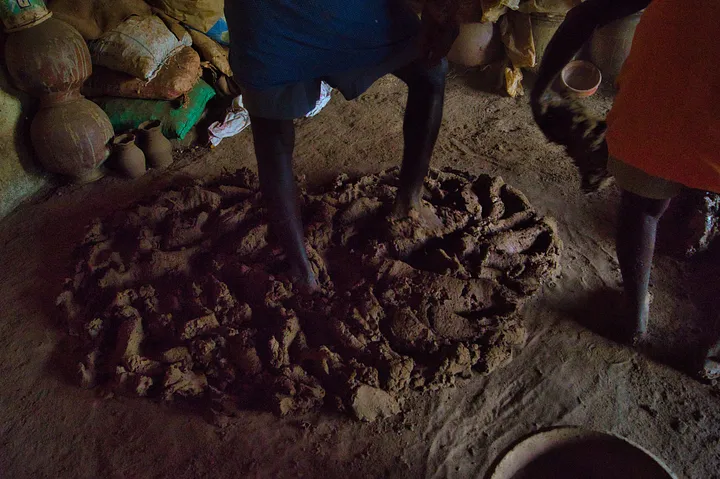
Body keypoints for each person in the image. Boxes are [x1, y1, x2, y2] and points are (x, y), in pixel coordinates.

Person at [225, 0, 459, 291]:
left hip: (297, 14)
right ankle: (302, 266)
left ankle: (406, 205)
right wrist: (444, 16)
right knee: (429, 67)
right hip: (272, 17)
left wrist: (442, 15)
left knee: (430, 67)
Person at [532, 0, 720, 348]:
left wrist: (540, 88)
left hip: (655, 120)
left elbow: (588, 14)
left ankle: (634, 320)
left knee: (643, 209)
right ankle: (712, 354)